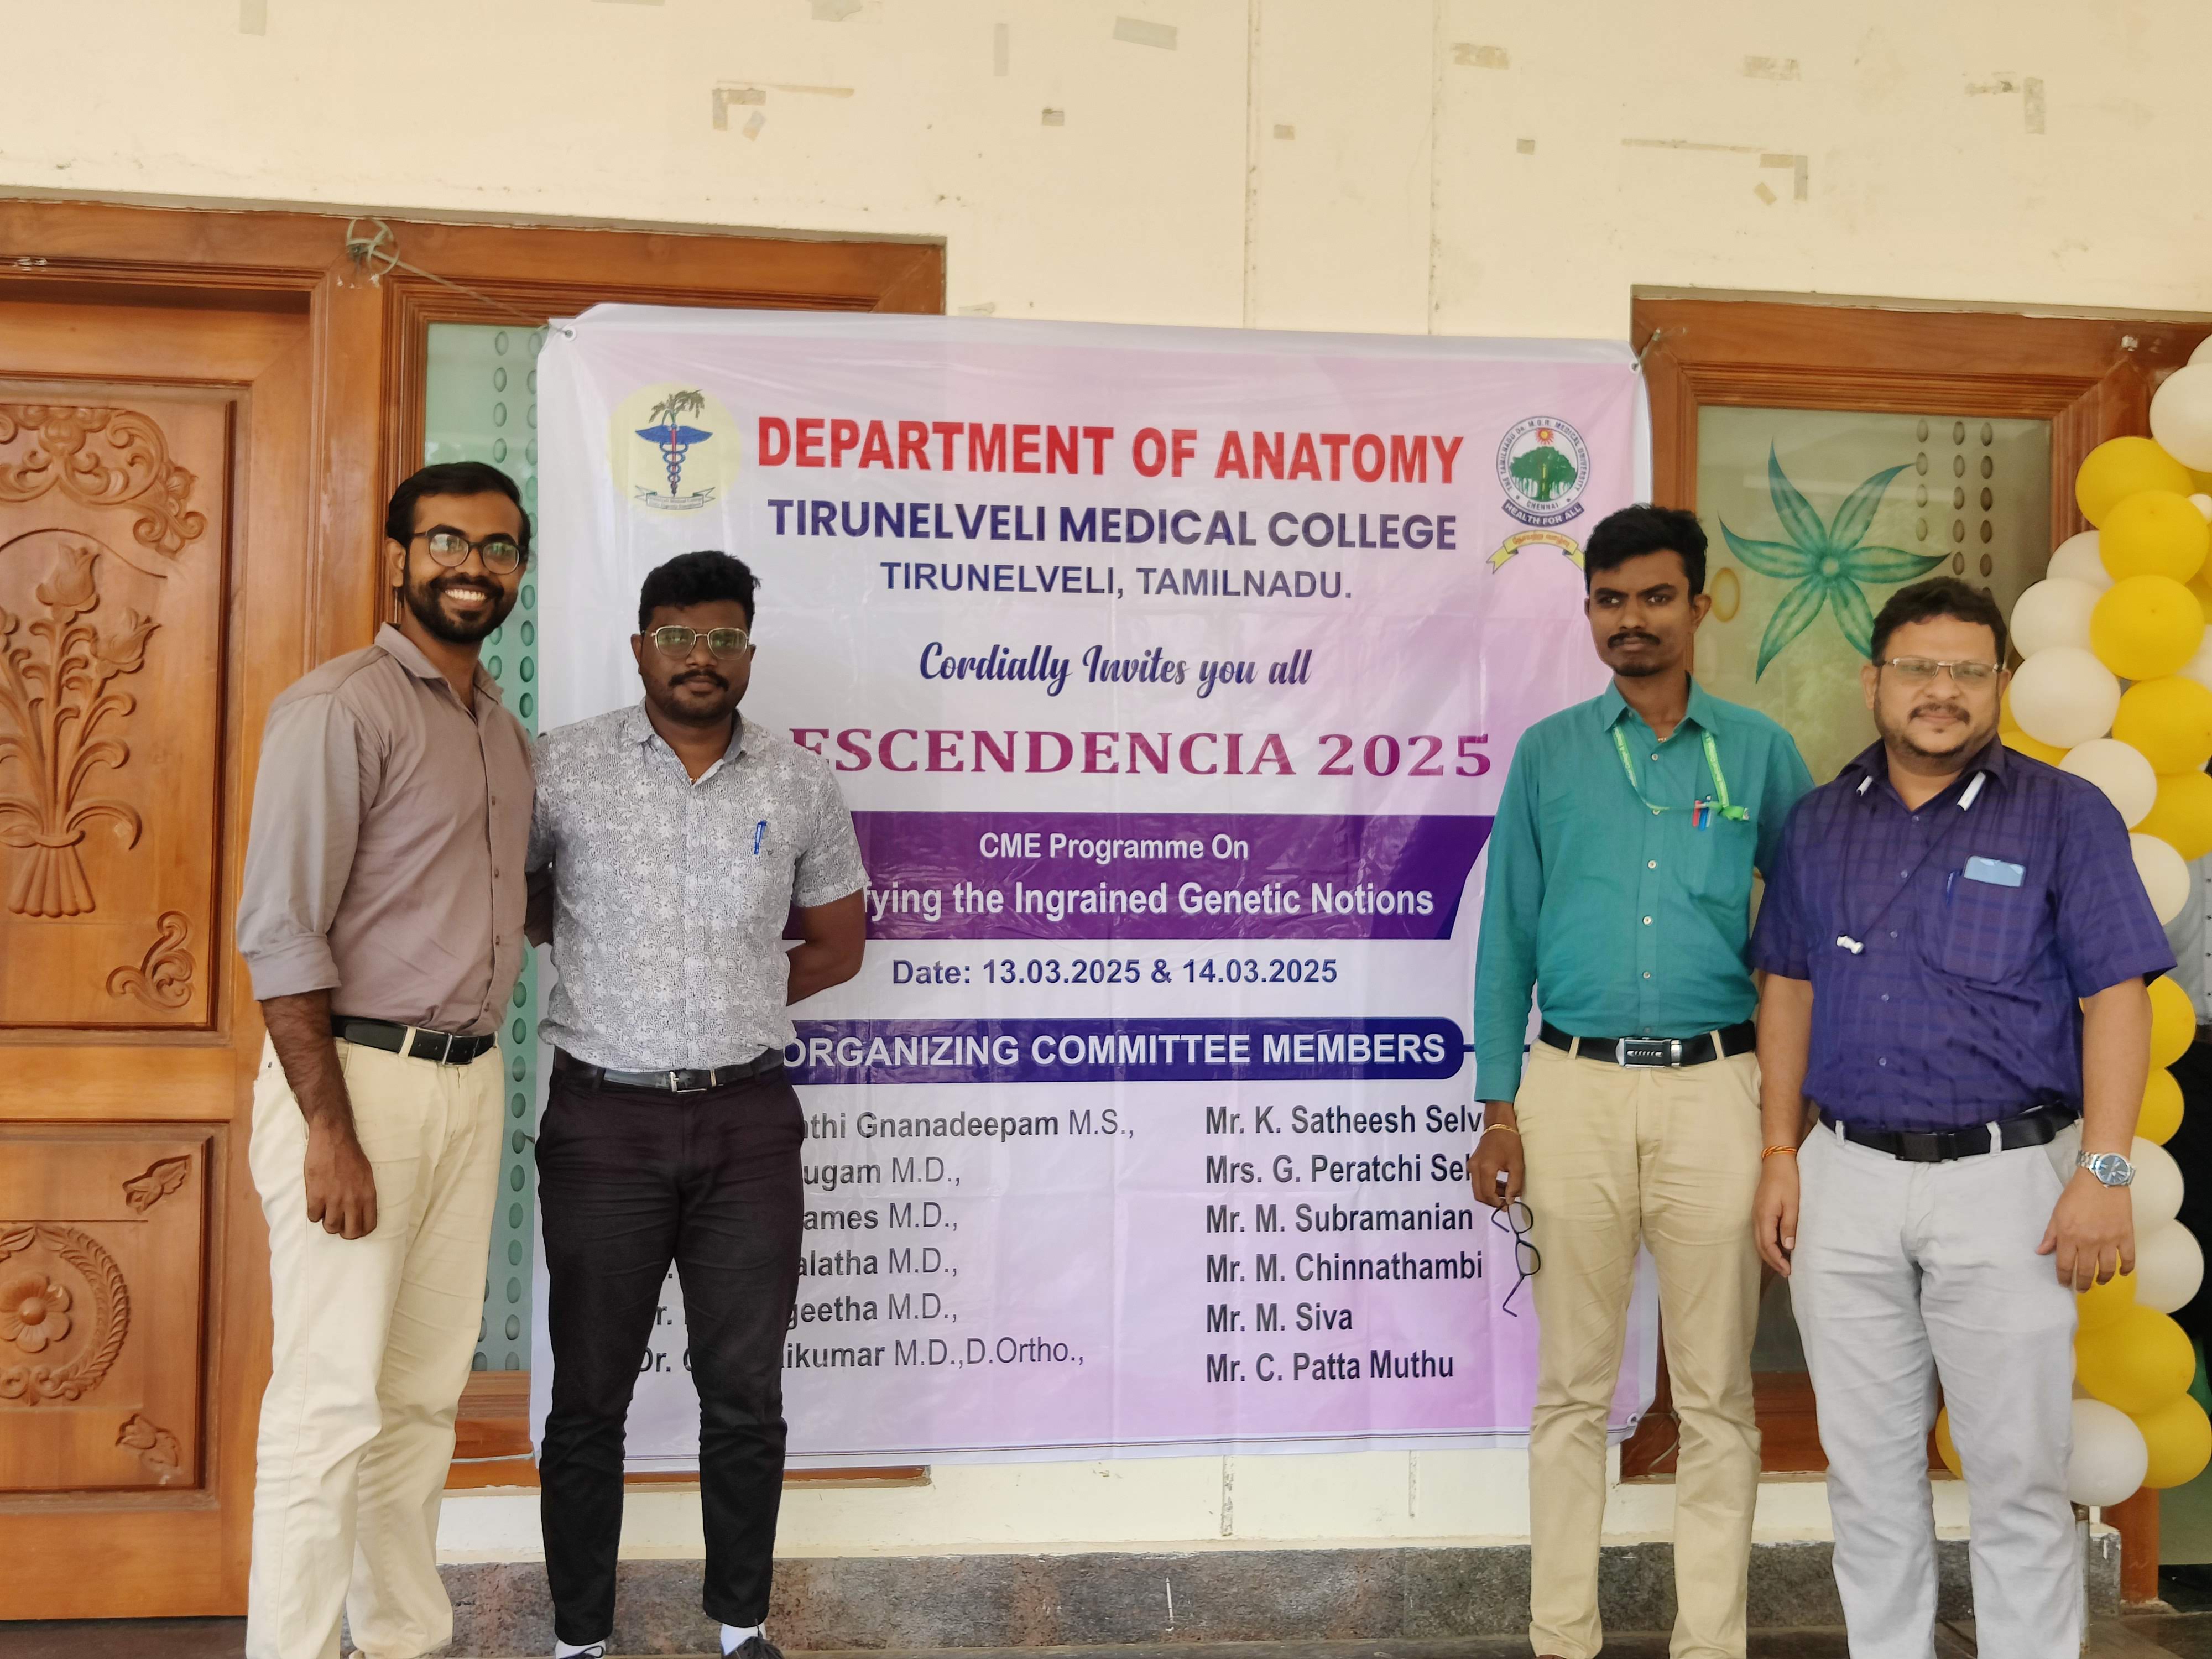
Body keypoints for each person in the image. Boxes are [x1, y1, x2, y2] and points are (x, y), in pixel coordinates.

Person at [1751, 577, 2172, 1659]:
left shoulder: (2063, 814)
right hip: (1845, 1175)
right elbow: (1787, 988)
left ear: (1998, 684)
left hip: (2009, 1183)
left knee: (2017, 1478)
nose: (1940, 690)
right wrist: (1779, 1152)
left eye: (1966, 671)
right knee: (1865, 1475)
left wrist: (2105, 1171)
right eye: (1917, 668)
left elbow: (2115, 996)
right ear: (1873, 681)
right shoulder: (1818, 823)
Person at [1470, 503, 1814, 1659]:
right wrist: (1499, 1108)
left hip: (1719, 1090)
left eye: (1656, 597)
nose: (1632, 619)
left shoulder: (1758, 752)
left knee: (1715, 1395)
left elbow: (1803, 945)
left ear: (1699, 605)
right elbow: (1505, 938)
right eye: (1610, 600)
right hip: (1570, 1088)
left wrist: (1788, 1121)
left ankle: (1708, 1643)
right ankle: (1560, 1639)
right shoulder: (1549, 754)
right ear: (1588, 614)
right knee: (1571, 1390)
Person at [528, 550, 867, 1659]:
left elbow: (838, 943)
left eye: (722, 639)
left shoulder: (798, 782)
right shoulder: (560, 766)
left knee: (744, 1392)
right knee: (589, 1397)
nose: (700, 657)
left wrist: (735, 999)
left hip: (746, 1124)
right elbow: (519, 903)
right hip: (603, 1124)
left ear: (748, 655)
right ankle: (581, 1641)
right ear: (641, 648)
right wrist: (617, 981)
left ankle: (740, 1629)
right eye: (677, 636)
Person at [235, 461, 534, 1659]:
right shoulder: (340, 708)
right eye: (447, 541)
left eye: (498, 549)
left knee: (418, 1401)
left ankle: (403, 1641)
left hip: (470, 1082)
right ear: (398, 558)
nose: (473, 567)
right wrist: (329, 1128)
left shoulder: (499, 730)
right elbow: (281, 930)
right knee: (327, 1406)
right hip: (355, 1087)